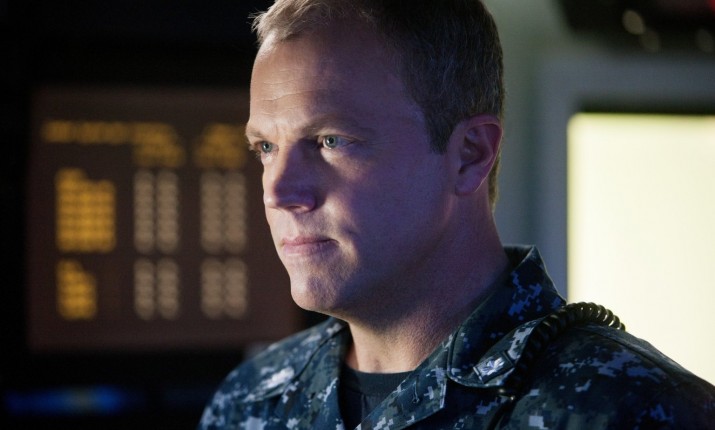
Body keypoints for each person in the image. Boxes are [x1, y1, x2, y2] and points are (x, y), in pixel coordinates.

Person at [198, 0, 715, 428]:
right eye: (265, 147)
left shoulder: (634, 410)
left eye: (330, 141)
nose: (279, 191)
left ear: (469, 154)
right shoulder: (250, 403)